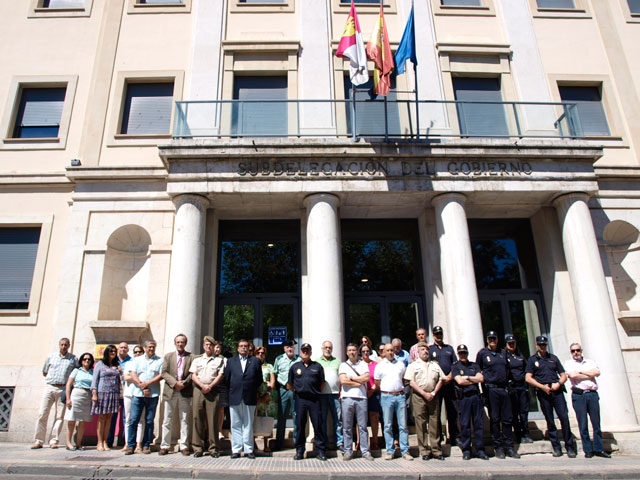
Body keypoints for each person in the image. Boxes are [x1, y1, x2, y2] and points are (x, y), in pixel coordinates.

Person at [525, 335, 577, 458]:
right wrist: (542, 387)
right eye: (540, 345)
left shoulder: (553, 358)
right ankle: (556, 447)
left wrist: (558, 384)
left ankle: (569, 447)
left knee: (564, 418)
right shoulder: (533, 360)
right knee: (550, 420)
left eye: (544, 345)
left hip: (556, 391)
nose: (543, 347)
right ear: (537, 345)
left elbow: (563, 375)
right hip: (543, 393)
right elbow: (528, 378)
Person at [476, 331, 519, 459]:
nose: (492, 340)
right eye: (490, 338)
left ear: (497, 339)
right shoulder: (482, 353)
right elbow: (478, 371)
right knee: (495, 419)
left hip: (503, 389)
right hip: (491, 389)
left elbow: (508, 370)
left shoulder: (503, 353)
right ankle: (498, 447)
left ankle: (509, 447)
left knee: (507, 419)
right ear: (487, 340)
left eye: (494, 338)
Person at [565, 342, 610, 459]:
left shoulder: (590, 362)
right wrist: (588, 373)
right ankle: (588, 450)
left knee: (596, 423)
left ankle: (599, 449)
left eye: (577, 350)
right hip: (578, 395)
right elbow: (573, 376)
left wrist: (580, 372)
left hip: (592, 394)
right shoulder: (569, 363)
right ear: (571, 352)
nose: (576, 353)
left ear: (581, 350)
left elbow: (597, 372)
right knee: (583, 423)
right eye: (573, 351)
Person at [32, 337, 78, 449]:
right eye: (62, 344)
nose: (63, 347)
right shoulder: (51, 357)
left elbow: (75, 373)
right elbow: (45, 371)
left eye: (66, 345)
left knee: (59, 416)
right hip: (50, 386)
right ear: (59, 345)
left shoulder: (73, 359)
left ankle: (54, 440)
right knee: (42, 413)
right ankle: (39, 440)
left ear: (69, 345)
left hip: (63, 388)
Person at [404, 342, 445, 461]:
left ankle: (436, 450)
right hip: (419, 396)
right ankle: (424, 450)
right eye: (422, 350)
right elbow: (411, 382)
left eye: (427, 350)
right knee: (420, 424)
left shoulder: (434, 365)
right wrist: (423, 393)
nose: (425, 352)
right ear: (418, 352)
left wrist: (433, 393)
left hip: (433, 395)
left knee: (434, 423)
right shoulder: (413, 365)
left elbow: (441, 380)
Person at [224, 338, 263, 459]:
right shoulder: (231, 361)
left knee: (248, 424)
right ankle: (236, 450)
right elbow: (226, 379)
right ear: (237, 348)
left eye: (245, 346)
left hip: (249, 396)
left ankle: (248, 449)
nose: (243, 348)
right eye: (241, 346)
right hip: (234, 396)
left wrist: (250, 388)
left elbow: (259, 379)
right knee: (235, 424)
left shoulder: (255, 361)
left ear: (249, 348)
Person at [288, 343, 327, 461]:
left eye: (307, 350)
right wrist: (299, 391)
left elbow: (322, 383)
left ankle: (320, 451)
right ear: (300, 352)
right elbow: (289, 384)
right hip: (300, 400)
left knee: (318, 425)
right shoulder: (295, 367)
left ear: (310, 352)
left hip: (314, 399)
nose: (305, 352)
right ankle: (300, 451)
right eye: (303, 350)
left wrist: (313, 391)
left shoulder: (317, 366)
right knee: (300, 426)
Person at [124, 339, 163, 455]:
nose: (151, 349)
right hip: (138, 393)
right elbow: (133, 373)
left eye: (153, 347)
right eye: (149, 347)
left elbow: (161, 375)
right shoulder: (137, 360)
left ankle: (146, 445)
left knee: (149, 420)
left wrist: (148, 384)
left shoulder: (160, 360)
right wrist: (142, 385)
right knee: (133, 419)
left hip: (153, 394)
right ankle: (130, 445)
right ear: (145, 348)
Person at [374, 343, 412, 461]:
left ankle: (405, 450)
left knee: (403, 425)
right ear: (383, 352)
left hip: (400, 396)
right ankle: (390, 451)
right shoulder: (380, 366)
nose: (390, 352)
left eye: (392, 350)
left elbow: (403, 379)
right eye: (388, 350)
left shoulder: (400, 364)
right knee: (387, 425)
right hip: (386, 397)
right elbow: (377, 382)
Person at [190, 336, 225, 458]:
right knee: (197, 418)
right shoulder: (197, 359)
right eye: (206, 345)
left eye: (210, 345)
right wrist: (202, 386)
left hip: (213, 391)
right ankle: (197, 447)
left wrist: (210, 386)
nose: (208, 347)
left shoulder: (219, 360)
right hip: (199, 390)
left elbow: (220, 375)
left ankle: (213, 448)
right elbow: (193, 375)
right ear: (203, 346)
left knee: (213, 419)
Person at [452, 344, 488, 461]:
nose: (463, 355)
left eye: (464, 353)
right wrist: (472, 379)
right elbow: (459, 381)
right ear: (458, 354)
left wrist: (467, 377)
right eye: (461, 353)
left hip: (476, 397)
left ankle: (480, 449)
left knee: (478, 424)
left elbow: (481, 378)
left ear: (467, 353)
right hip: (464, 398)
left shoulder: (474, 365)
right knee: (465, 425)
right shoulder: (456, 366)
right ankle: (466, 450)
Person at [160, 334, 194, 456]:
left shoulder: (191, 357)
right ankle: (165, 445)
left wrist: (184, 383)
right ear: (175, 343)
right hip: (171, 391)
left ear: (186, 343)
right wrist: (175, 383)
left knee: (184, 419)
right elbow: (163, 372)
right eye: (178, 342)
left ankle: (184, 445)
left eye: (182, 342)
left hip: (185, 391)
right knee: (167, 420)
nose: (180, 344)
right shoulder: (168, 356)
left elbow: (193, 372)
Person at [339, 343, 373, 461]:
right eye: (350, 350)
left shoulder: (363, 364)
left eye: (354, 350)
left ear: (356, 352)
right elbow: (343, 381)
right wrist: (358, 383)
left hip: (361, 398)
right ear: (347, 352)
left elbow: (366, 378)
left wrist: (352, 378)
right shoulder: (343, 365)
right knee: (347, 427)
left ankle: (365, 451)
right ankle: (348, 451)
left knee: (363, 426)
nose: (352, 352)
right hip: (347, 398)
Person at [428, 325, 459, 445]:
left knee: (452, 411)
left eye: (440, 334)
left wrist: (450, 376)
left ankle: (454, 437)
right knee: (436, 412)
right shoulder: (431, 350)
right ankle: (438, 437)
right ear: (433, 336)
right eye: (436, 334)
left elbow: (455, 364)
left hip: (450, 384)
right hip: (437, 385)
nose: (438, 336)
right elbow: (430, 366)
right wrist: (440, 379)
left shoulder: (449, 349)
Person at [91, 344, 122, 452]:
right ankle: (99, 441)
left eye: (114, 351)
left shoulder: (116, 365)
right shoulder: (100, 364)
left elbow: (120, 379)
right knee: (102, 418)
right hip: (102, 393)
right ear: (106, 352)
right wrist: (94, 393)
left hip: (113, 394)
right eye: (111, 351)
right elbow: (94, 380)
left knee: (109, 418)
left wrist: (121, 370)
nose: (113, 353)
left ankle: (105, 441)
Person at [504, 334, 532, 444]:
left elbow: (527, 371)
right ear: (506, 344)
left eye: (513, 343)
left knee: (524, 412)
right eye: (509, 343)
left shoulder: (520, 357)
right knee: (514, 413)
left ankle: (526, 433)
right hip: (512, 387)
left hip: (522, 387)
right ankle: (518, 435)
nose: (511, 345)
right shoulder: (505, 356)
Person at [273, 339, 300, 450]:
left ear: (294, 348)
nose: (289, 349)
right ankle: (279, 443)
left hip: (295, 390)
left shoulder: (299, 359)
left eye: (291, 347)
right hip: (283, 390)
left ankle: (297, 443)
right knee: (282, 416)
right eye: (287, 347)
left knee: (296, 416)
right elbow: (274, 373)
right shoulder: (278, 359)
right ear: (284, 349)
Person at [64, 353, 94, 450]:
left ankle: (78, 443)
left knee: (82, 421)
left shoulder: (92, 372)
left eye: (89, 359)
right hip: (77, 393)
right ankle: (68, 443)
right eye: (85, 359)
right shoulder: (76, 371)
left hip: (87, 395)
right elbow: (68, 384)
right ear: (81, 361)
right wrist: (68, 398)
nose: (87, 361)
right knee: (72, 420)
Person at [316, 340, 343, 451]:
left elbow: (341, 378)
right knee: (322, 420)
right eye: (326, 347)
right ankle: (324, 443)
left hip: (335, 394)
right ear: (322, 349)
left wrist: (342, 392)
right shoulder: (317, 362)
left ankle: (339, 443)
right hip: (322, 395)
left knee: (338, 420)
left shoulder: (338, 361)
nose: (328, 349)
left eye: (330, 347)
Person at [107, 342, 131, 448]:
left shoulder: (132, 361)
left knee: (127, 418)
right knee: (112, 417)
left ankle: (125, 441)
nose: (123, 349)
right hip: (114, 392)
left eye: (125, 348)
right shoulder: (112, 361)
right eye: (121, 347)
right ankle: (109, 440)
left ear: (128, 349)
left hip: (126, 391)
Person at [360, 343, 381, 450]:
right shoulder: (358, 364)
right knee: (360, 419)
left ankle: (375, 440)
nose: (366, 353)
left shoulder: (375, 364)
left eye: (367, 351)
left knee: (374, 416)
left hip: (374, 393)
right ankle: (360, 442)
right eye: (363, 351)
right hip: (361, 393)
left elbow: (378, 379)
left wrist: (372, 390)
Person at [123, 345, 144, 452]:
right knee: (128, 419)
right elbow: (126, 377)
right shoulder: (129, 363)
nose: (137, 354)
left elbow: (146, 377)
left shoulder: (144, 363)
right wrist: (138, 379)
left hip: (140, 393)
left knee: (140, 419)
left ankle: (138, 443)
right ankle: (127, 443)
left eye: (140, 352)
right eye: (135, 352)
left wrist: (133, 377)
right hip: (128, 393)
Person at [255, 346, 276, 452]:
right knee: (254, 419)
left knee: (266, 419)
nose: (260, 355)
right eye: (258, 353)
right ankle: (253, 443)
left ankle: (266, 444)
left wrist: (267, 393)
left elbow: (272, 381)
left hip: (266, 396)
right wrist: (256, 396)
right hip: (255, 396)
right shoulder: (252, 364)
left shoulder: (269, 366)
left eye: (262, 353)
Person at [213, 341, 229, 442]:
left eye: (218, 348)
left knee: (221, 409)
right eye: (215, 347)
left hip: (221, 386)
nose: (217, 350)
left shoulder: (224, 360)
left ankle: (219, 430)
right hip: (210, 386)